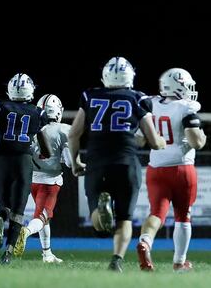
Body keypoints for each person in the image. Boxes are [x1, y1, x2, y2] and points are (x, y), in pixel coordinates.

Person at [67, 56, 166, 272]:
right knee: (124, 218)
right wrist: (161, 143)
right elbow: (154, 139)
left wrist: (75, 162)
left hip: (96, 161)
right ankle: (116, 260)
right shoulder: (138, 98)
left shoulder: (90, 95)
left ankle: (101, 208)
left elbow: (74, 133)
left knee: (98, 224)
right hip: (126, 162)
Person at [0, 73, 50, 265]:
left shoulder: (1, 106)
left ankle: (0, 216)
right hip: (23, 162)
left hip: (3, 160)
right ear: (30, 90)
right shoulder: (37, 112)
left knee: (5, 205)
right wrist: (43, 154)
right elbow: (44, 146)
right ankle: (7, 254)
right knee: (18, 211)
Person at [136, 68, 207, 272]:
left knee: (157, 213)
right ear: (179, 85)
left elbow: (140, 139)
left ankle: (145, 241)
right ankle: (179, 262)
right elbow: (195, 141)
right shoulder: (185, 107)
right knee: (183, 216)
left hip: (155, 167)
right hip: (181, 168)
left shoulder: (150, 103)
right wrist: (202, 137)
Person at [15, 94, 72, 263]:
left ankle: (47, 254)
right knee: (43, 216)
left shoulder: (31, 127)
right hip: (49, 181)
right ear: (58, 111)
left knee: (42, 216)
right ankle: (25, 231)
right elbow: (69, 162)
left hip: (31, 179)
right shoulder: (63, 129)